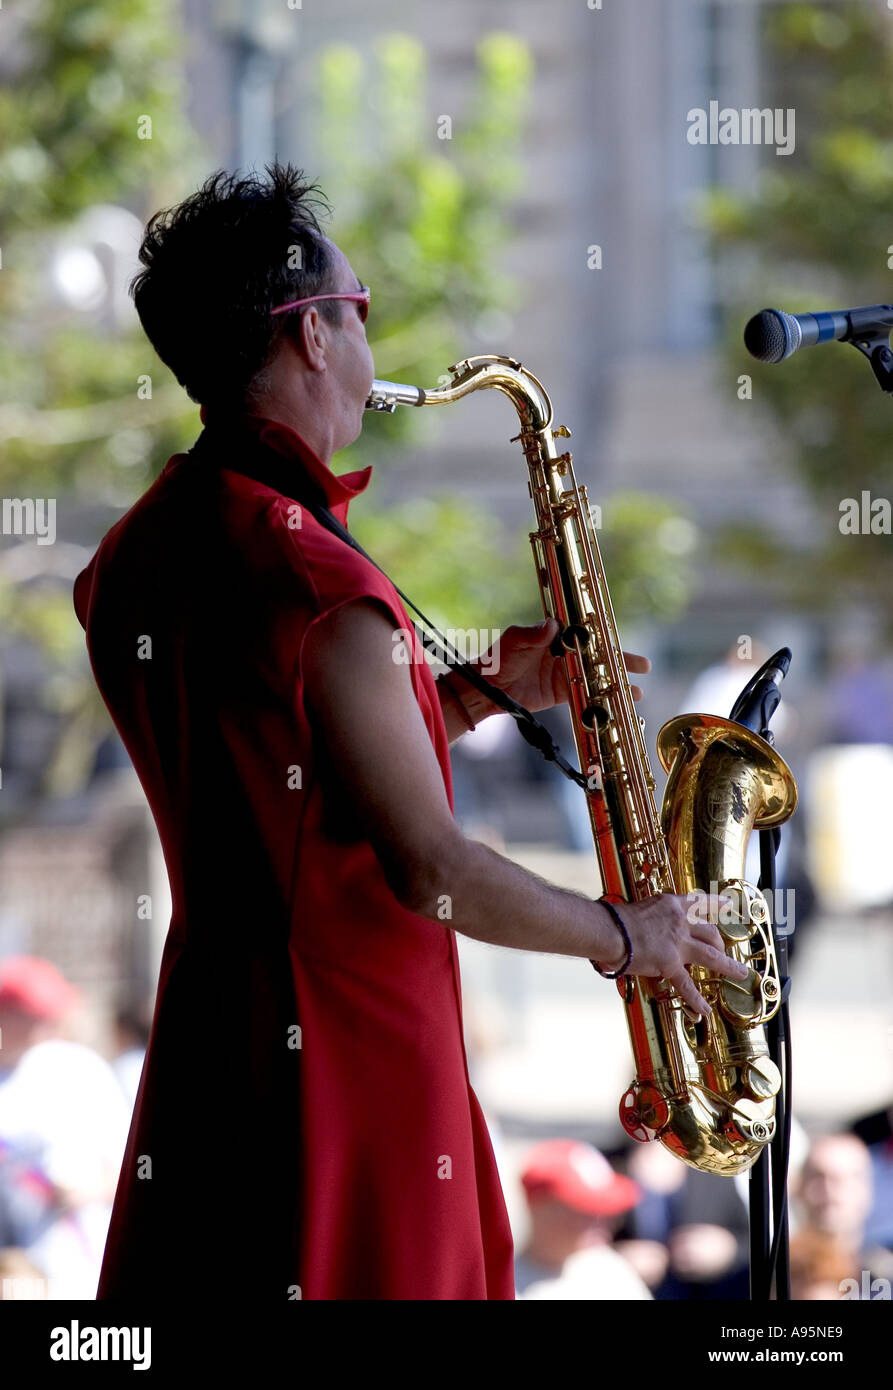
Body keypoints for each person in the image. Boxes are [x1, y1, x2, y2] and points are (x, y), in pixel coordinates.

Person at [73, 164, 749, 1301]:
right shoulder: (316, 579)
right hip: (352, 1063)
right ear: (310, 337)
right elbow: (429, 870)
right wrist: (628, 935)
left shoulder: (136, 552)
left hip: (213, 1046)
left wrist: (480, 694)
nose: (371, 346)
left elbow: (285, 777)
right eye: (362, 310)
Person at [0, 956, 129, 1298]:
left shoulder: (80, 1070)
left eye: (49, 1015)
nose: (46, 1025)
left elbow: (132, 1169)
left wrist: (88, 1189)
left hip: (75, 1268)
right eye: (32, 1016)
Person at [514, 1139, 651, 1299]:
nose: (602, 1221)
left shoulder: (610, 1270)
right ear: (543, 1209)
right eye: (586, 1210)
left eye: (603, 1210)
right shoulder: (502, 1284)